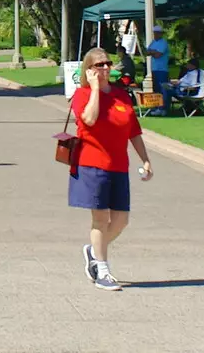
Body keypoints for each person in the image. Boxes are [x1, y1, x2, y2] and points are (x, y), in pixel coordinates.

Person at [68, 46, 153, 291]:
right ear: (89, 69)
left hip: (118, 165)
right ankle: (102, 271)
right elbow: (90, 119)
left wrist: (145, 159)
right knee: (100, 218)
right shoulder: (82, 94)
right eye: (99, 65)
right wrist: (95, 89)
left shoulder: (121, 96)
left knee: (121, 219)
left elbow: (133, 131)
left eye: (107, 63)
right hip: (91, 164)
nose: (105, 68)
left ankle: (94, 250)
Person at [146, 24, 170, 112]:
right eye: (154, 33)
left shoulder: (163, 43)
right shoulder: (153, 42)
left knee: (163, 89)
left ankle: (163, 108)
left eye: (157, 33)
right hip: (154, 69)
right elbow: (147, 52)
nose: (155, 35)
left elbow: (158, 55)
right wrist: (154, 52)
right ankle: (157, 107)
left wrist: (153, 52)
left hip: (162, 69)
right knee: (156, 89)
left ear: (161, 34)